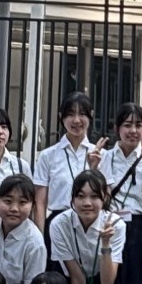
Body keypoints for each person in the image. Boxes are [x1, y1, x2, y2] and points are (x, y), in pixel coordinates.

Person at [97, 103, 142, 284]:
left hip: (140, 227)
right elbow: (101, 199)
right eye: (127, 125)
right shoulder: (105, 157)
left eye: (138, 125)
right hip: (111, 225)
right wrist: (93, 167)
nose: (133, 131)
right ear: (117, 128)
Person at [34, 93, 100, 224]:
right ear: (61, 117)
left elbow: (105, 197)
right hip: (57, 222)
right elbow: (40, 203)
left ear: (91, 115)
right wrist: (40, 235)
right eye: (70, 114)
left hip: (90, 222)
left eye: (82, 114)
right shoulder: (48, 156)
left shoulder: (100, 154)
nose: (76, 120)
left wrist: (94, 168)